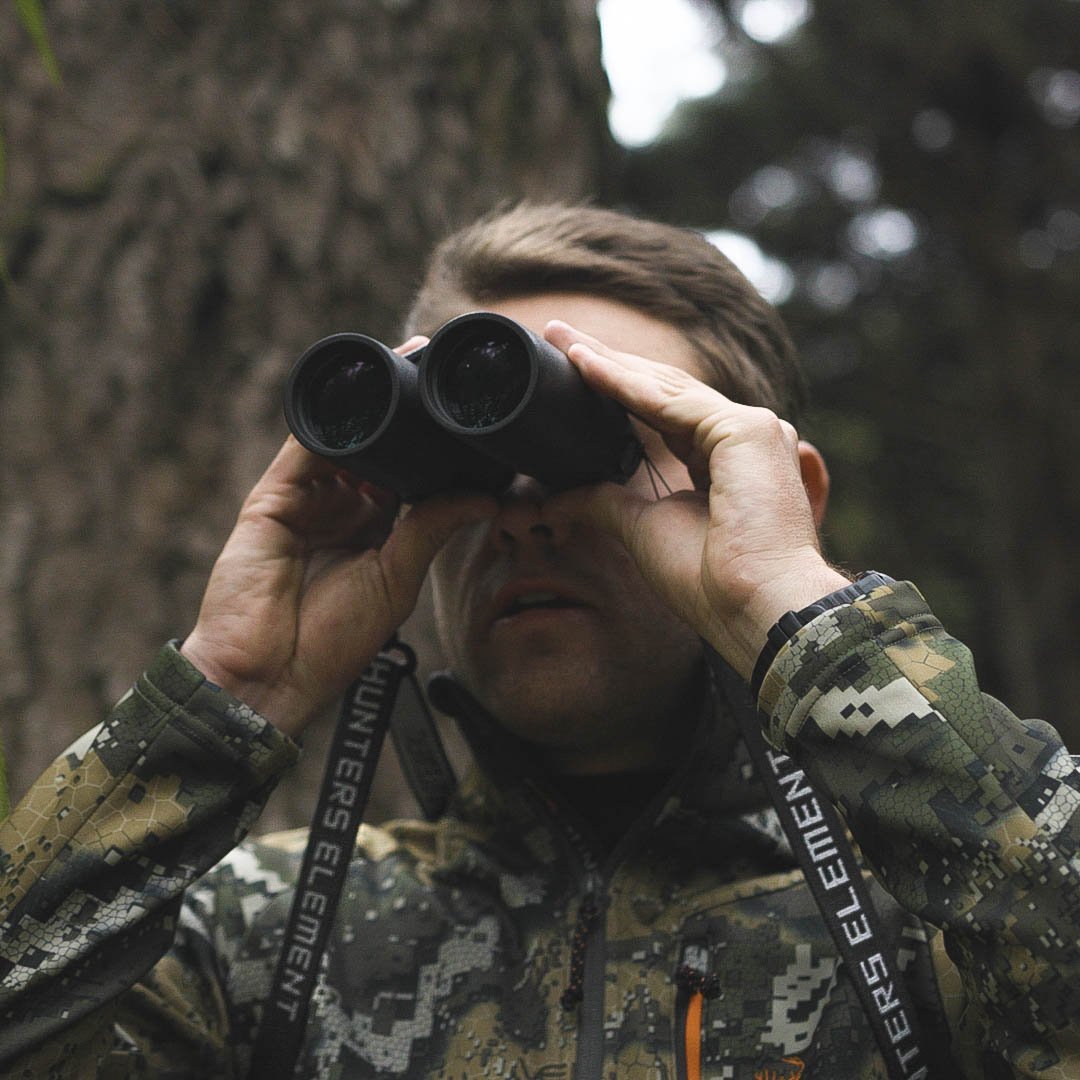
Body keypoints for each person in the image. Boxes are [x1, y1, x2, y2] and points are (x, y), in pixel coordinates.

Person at [1, 203, 1078, 1079]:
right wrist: (228, 690)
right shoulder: (265, 936)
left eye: (600, 440)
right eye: (470, 458)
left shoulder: (938, 915)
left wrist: (799, 610)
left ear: (777, 494)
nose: (527, 511)